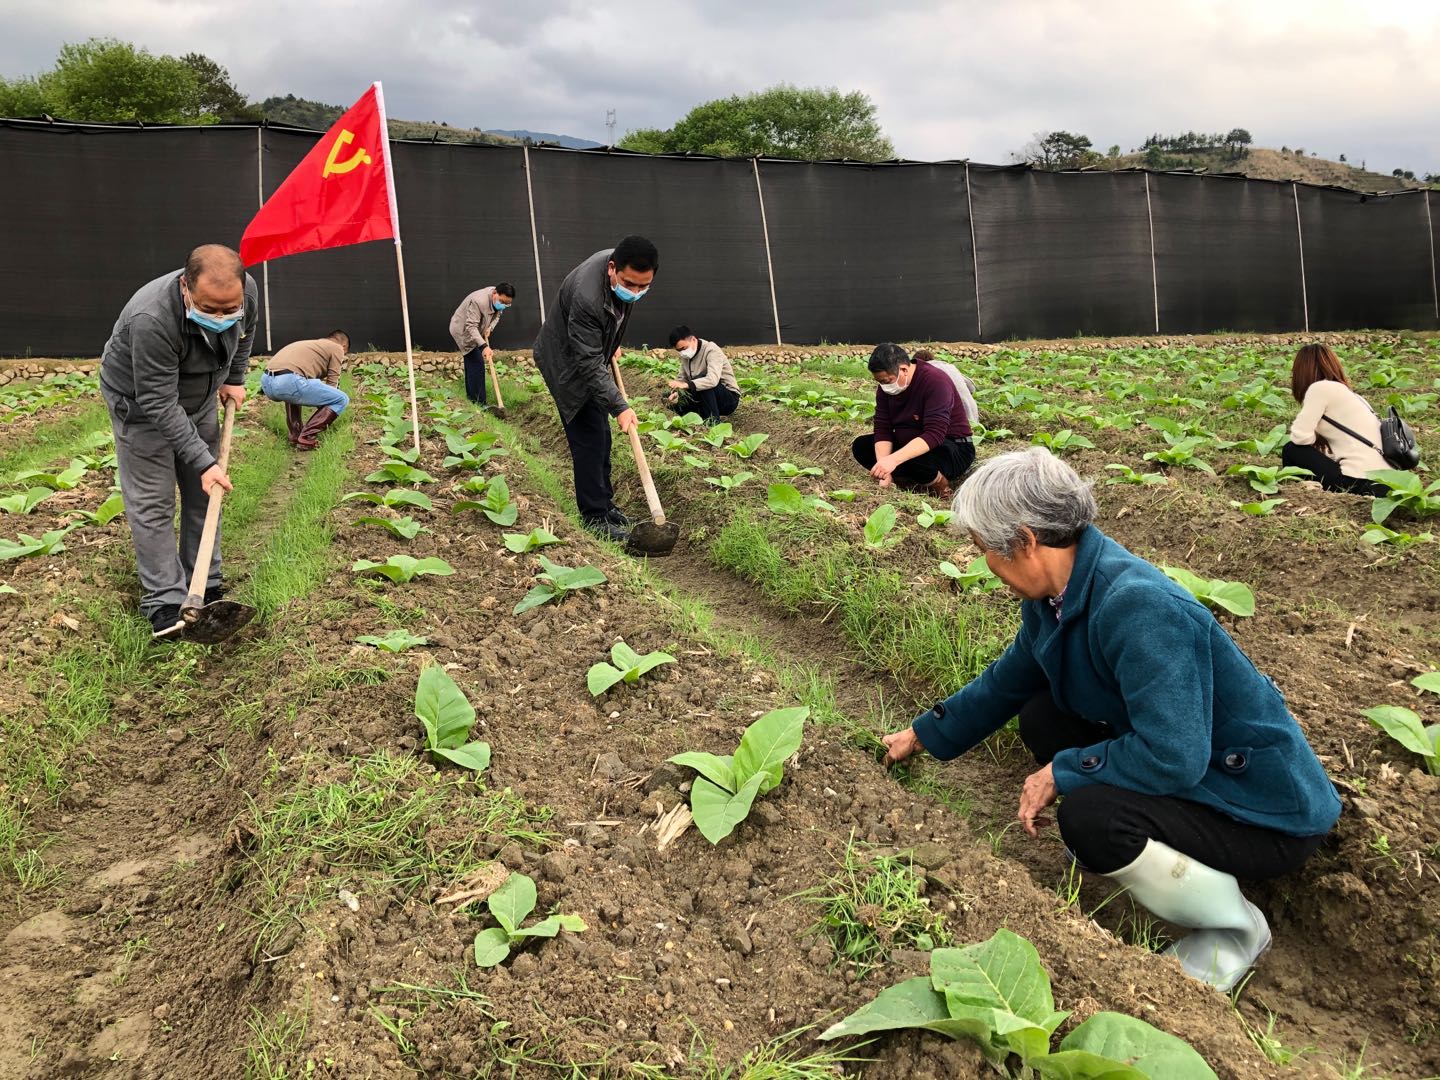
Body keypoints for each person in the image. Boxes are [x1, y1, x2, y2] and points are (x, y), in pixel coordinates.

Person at [882, 448, 1341, 992]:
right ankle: (1171, 851)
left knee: (1093, 819)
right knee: (1042, 715)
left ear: (1026, 540)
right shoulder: (1061, 590)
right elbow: (1008, 680)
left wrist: (1065, 772)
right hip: (1202, 768)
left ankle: (1233, 930)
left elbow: (1175, 756)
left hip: (1260, 809)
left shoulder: (1139, 607)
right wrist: (923, 733)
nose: (984, 564)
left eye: (984, 550)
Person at [98, 245, 258, 638]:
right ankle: (166, 601)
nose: (221, 316)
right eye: (210, 309)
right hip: (139, 406)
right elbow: (156, 400)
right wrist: (203, 462)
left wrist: (235, 376)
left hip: (200, 399)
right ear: (186, 287)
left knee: (207, 493)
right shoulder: (152, 317)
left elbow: (246, 332)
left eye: (229, 309)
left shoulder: (245, 293)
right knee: (153, 502)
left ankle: (205, 582)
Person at [532, 237, 657, 543]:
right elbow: (586, 362)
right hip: (567, 366)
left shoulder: (619, 278)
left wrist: (609, 345)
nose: (636, 292)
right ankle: (594, 517)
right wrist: (620, 405)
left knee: (602, 436)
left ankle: (606, 505)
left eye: (644, 287)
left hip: (588, 356)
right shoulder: (588, 297)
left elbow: (612, 319)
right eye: (630, 284)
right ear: (613, 269)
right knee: (588, 440)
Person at [851, 342, 973, 502]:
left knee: (916, 460)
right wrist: (884, 468)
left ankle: (942, 488)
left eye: (887, 380)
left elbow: (934, 434)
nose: (884, 386)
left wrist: (893, 460)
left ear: (903, 369)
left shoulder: (935, 381)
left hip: (952, 447)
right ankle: (907, 481)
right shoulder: (885, 388)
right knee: (861, 446)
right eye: (880, 382)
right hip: (912, 442)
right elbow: (883, 428)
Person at [1282, 344, 1388, 496]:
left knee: (1292, 449)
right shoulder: (1354, 396)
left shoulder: (1319, 388)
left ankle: (1299, 492)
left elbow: (1300, 437)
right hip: (1386, 483)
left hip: (1357, 482)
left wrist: (1312, 439)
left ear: (1302, 372)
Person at [260, 331, 350, 450]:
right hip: (289, 381)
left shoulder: (312, 346)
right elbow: (332, 383)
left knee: (293, 393)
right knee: (342, 399)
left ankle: (295, 435)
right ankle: (307, 438)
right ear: (344, 346)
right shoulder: (337, 347)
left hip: (267, 382)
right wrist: (326, 411)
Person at [449, 282, 516, 407]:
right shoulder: (478, 301)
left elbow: (497, 316)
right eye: (502, 302)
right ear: (495, 293)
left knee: (472, 364)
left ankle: (472, 399)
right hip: (463, 330)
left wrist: (490, 327)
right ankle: (480, 403)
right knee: (477, 363)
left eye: (507, 304)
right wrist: (484, 346)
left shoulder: (500, 302)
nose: (504, 305)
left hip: (477, 328)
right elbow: (471, 327)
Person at [664, 326, 740, 423]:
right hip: (703, 398)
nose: (682, 353)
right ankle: (693, 420)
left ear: (693, 340)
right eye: (679, 351)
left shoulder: (711, 350)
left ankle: (712, 423)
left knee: (703, 382)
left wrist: (686, 385)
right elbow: (682, 378)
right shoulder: (686, 355)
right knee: (667, 395)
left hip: (727, 400)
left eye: (684, 348)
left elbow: (712, 380)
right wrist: (675, 392)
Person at [911, 347, 979, 426]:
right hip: (973, 417)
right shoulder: (950, 366)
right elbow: (972, 387)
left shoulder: (924, 371)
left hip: (954, 425)